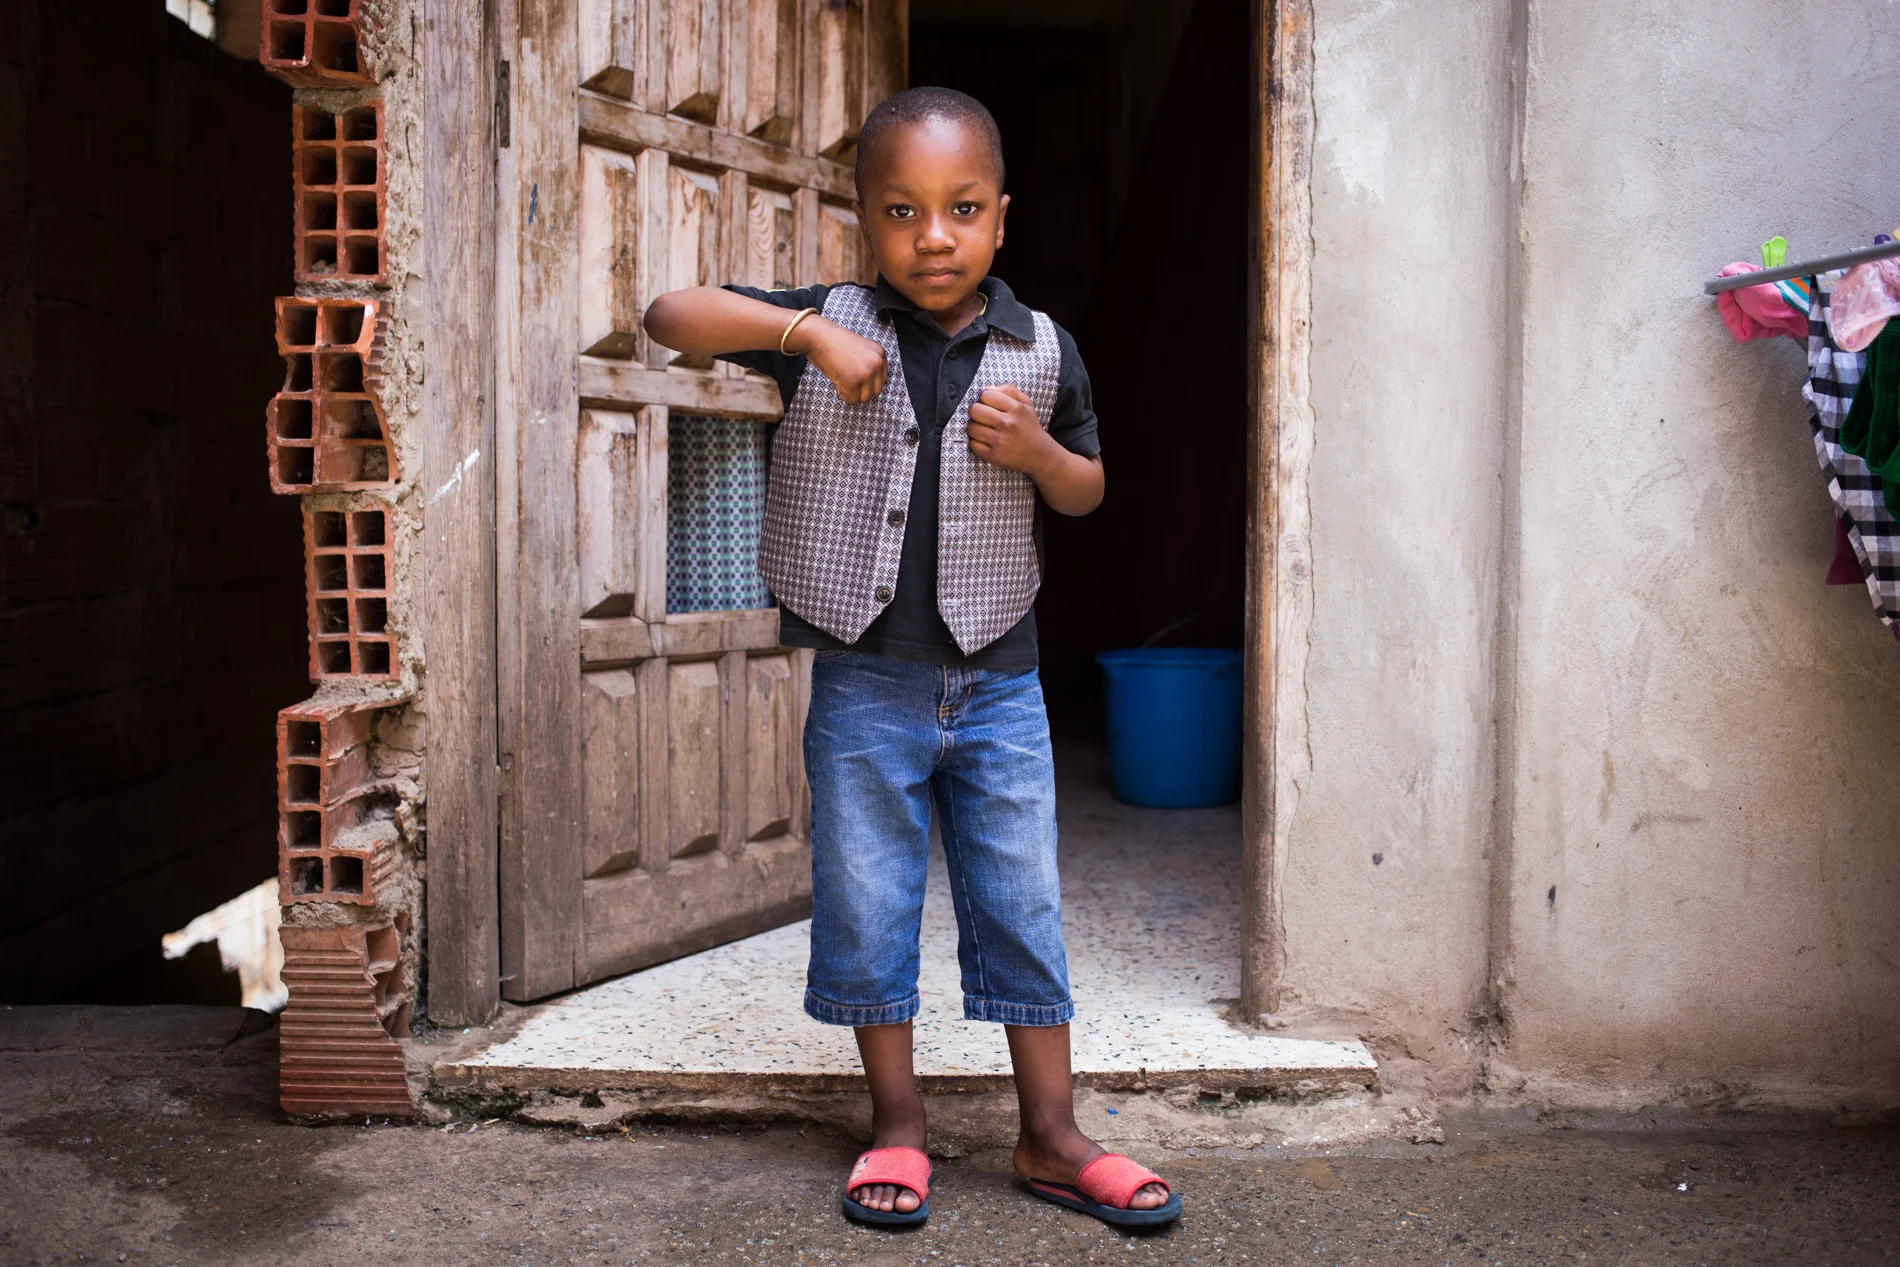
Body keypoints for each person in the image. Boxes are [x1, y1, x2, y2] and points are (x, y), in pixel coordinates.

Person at [643, 86, 1180, 1230]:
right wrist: (802, 333)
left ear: (1001, 218)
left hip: (1002, 681)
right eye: (901, 210)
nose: (933, 235)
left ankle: (1051, 1133)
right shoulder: (829, 323)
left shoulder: (1044, 349)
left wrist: (1036, 450)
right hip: (864, 684)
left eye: (961, 208)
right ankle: (896, 1123)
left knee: (1022, 900)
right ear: (864, 217)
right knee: (868, 898)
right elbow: (666, 314)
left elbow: (1087, 493)